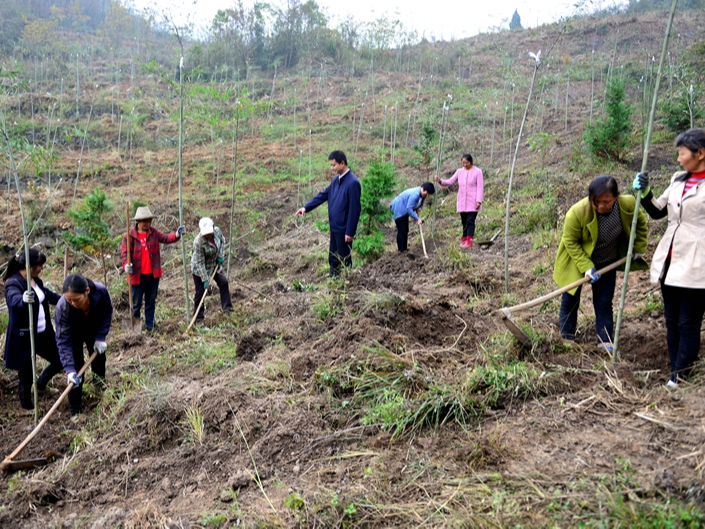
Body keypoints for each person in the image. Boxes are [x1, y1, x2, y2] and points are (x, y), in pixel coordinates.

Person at [633, 128, 705, 387]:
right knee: (672, 320)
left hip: (698, 262)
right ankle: (674, 371)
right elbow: (656, 211)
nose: (678, 159)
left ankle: (681, 375)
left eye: (681, 153)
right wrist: (645, 192)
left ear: (700, 154)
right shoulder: (678, 179)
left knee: (688, 322)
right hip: (671, 260)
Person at [553, 175, 648, 351]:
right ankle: (567, 338)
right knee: (570, 299)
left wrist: (639, 247)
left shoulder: (627, 204)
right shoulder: (577, 212)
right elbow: (570, 241)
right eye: (596, 202)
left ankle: (604, 340)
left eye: (607, 201)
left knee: (604, 302)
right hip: (577, 260)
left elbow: (640, 223)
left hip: (607, 260)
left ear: (616, 196)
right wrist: (586, 266)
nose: (601, 206)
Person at [2, 249, 64, 411]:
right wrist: (22, 299)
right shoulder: (14, 283)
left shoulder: (37, 281)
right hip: (25, 336)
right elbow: (12, 298)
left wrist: (66, 300)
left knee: (60, 359)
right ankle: (27, 406)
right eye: (39, 265)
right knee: (26, 374)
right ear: (30, 266)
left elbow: (48, 295)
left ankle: (41, 384)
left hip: (43, 334)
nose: (42, 268)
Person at [295, 150, 361, 276]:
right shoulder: (336, 180)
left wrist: (350, 231)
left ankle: (346, 285)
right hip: (334, 227)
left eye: (334, 165)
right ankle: (333, 283)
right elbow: (323, 195)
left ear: (342, 163)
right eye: (331, 165)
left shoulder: (353, 183)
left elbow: (355, 209)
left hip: (344, 230)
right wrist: (306, 208)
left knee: (344, 259)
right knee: (333, 259)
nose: (332, 168)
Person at [55, 274, 113, 416]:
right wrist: (69, 369)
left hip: (93, 329)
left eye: (76, 299)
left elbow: (107, 312)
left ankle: (100, 389)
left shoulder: (100, 292)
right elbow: (63, 341)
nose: (73, 303)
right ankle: (75, 410)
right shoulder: (63, 308)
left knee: (99, 359)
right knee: (76, 369)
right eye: (69, 300)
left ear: (87, 291)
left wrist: (101, 337)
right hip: (73, 335)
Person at [120, 206, 184, 332]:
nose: (148, 224)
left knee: (150, 301)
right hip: (137, 276)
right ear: (138, 222)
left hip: (152, 275)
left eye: (149, 221)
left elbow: (166, 238)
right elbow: (124, 254)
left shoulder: (153, 233)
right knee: (136, 303)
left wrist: (177, 234)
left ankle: (150, 326)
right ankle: (134, 329)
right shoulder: (129, 236)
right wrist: (126, 265)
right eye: (145, 222)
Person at [434, 153, 484, 248]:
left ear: (471, 162)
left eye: (467, 162)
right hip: (462, 201)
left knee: (470, 221)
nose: (465, 164)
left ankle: (469, 240)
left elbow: (480, 187)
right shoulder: (459, 172)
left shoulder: (478, 172)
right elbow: (450, 181)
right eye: (463, 163)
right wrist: (440, 181)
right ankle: (464, 238)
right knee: (464, 221)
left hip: (473, 202)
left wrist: (479, 201)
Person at [191, 217, 233, 323]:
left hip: (214, 265)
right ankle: (198, 319)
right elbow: (199, 264)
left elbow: (223, 242)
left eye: (209, 232)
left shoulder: (217, 231)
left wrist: (220, 255)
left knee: (224, 282)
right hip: (200, 269)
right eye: (205, 233)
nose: (208, 235)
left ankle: (227, 308)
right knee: (200, 292)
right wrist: (205, 279)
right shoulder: (198, 242)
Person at [390, 182, 435, 254]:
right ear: (423, 189)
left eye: (428, 194)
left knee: (406, 229)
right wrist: (417, 219)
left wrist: (420, 207)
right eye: (427, 193)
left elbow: (422, 202)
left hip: (404, 209)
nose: (427, 195)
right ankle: (400, 251)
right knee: (402, 229)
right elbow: (409, 209)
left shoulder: (423, 194)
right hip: (397, 208)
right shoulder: (415, 195)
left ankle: (404, 249)